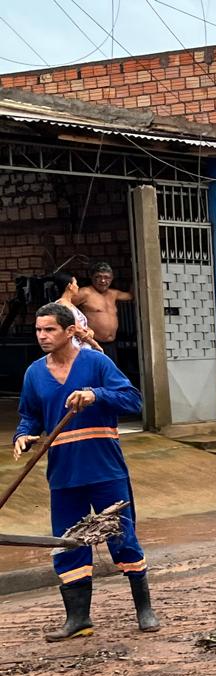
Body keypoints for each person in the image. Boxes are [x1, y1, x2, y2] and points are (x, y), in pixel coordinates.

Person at [12, 302, 158, 639]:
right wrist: (23, 435)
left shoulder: (96, 362)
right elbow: (29, 414)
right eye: (38, 330)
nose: (42, 336)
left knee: (123, 538)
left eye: (49, 329)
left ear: (69, 331)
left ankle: (144, 609)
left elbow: (132, 399)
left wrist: (95, 395)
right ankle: (78, 619)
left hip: (105, 468)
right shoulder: (35, 373)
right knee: (68, 543)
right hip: (64, 474)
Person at [74, 262, 133, 360]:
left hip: (111, 345)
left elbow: (131, 296)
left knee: (109, 373)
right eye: (98, 277)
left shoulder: (114, 294)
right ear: (92, 277)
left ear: (111, 278)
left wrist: (138, 274)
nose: (103, 280)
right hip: (91, 343)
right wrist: (78, 327)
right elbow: (64, 305)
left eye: (107, 277)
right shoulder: (85, 293)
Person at [52, 271, 102, 353]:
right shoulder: (63, 304)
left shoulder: (70, 304)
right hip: (74, 351)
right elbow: (76, 328)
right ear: (70, 286)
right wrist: (94, 344)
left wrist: (89, 331)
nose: (78, 287)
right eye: (76, 284)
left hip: (81, 349)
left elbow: (81, 326)